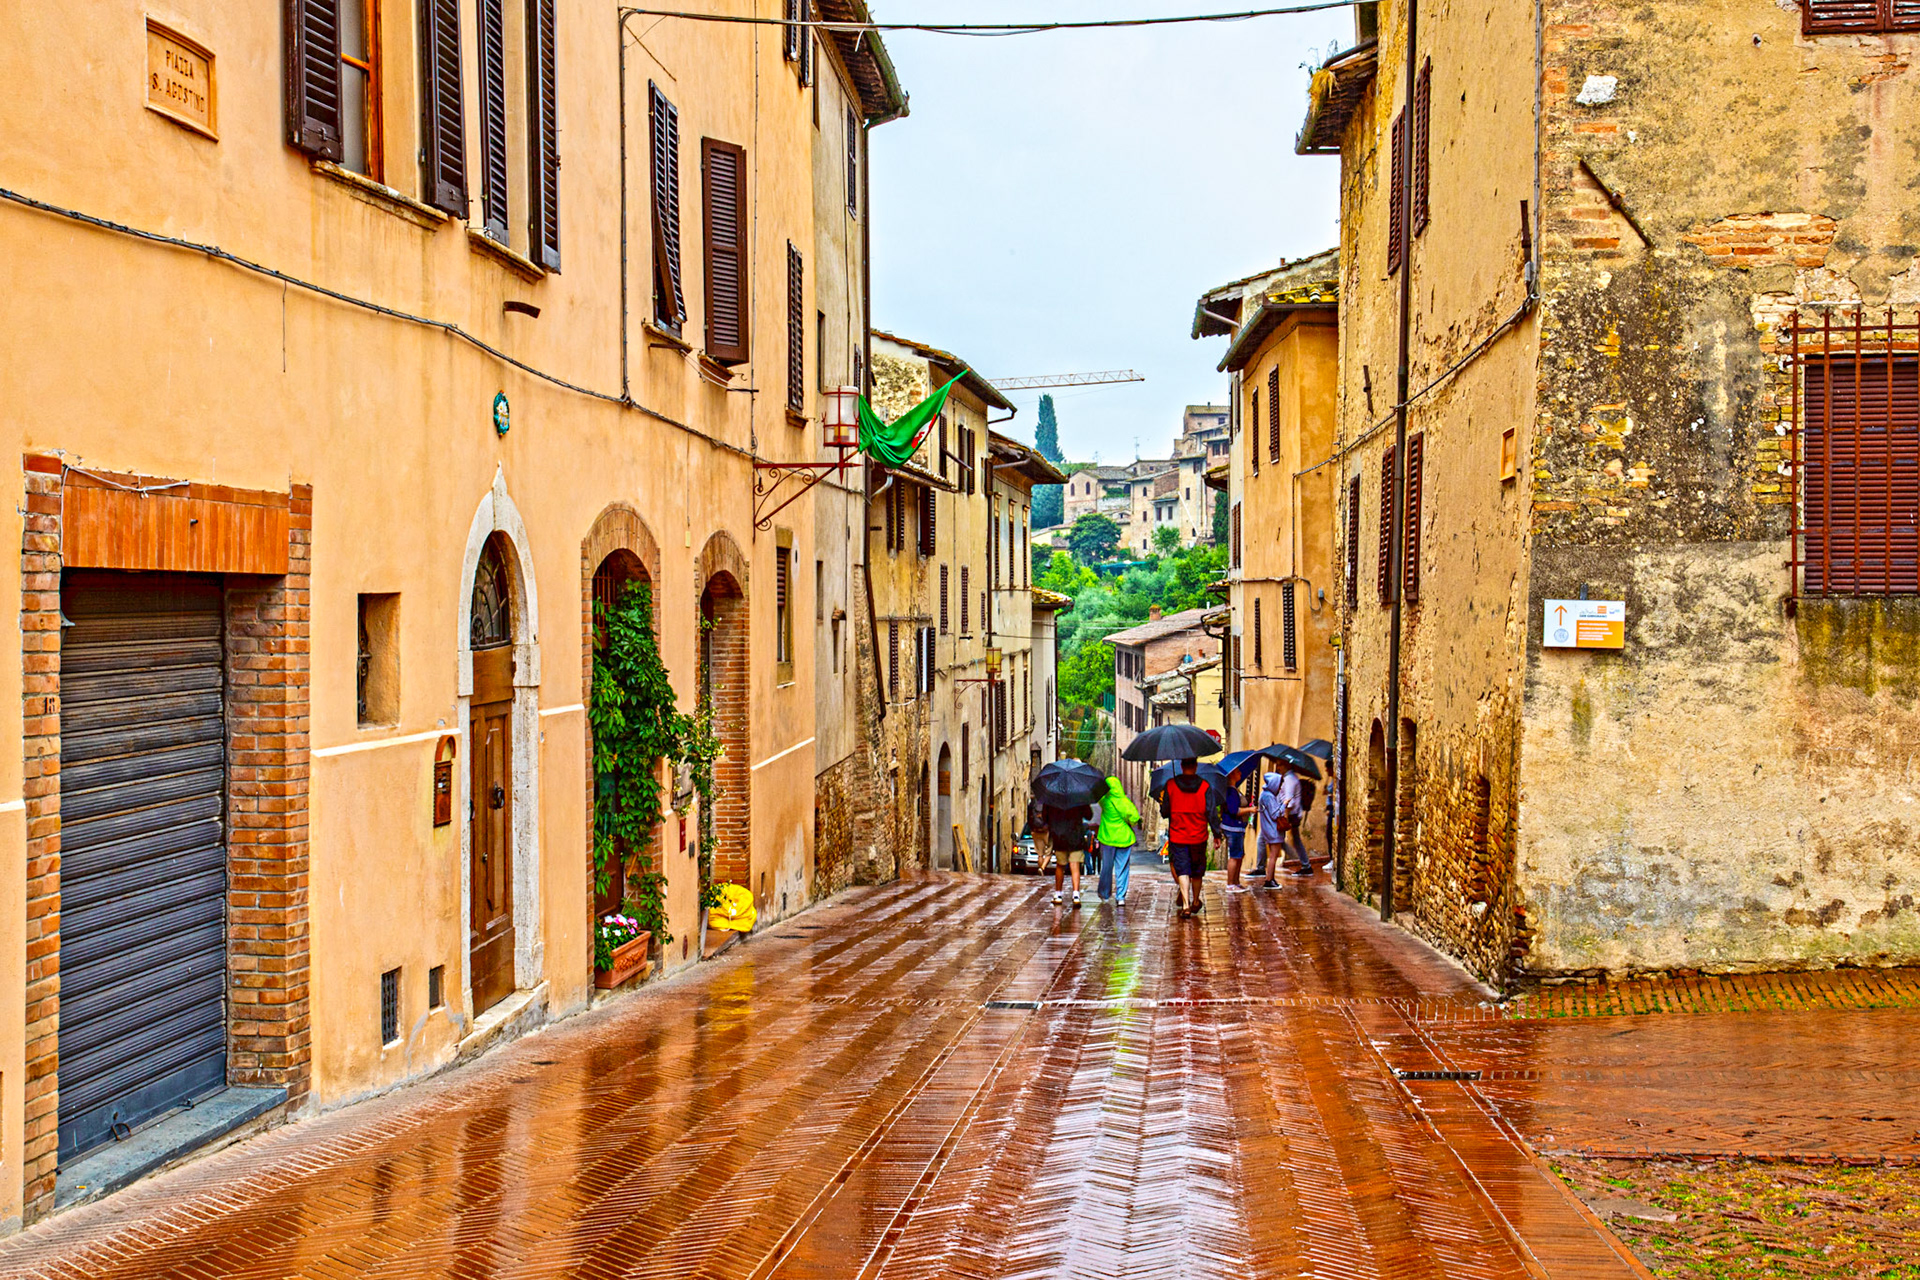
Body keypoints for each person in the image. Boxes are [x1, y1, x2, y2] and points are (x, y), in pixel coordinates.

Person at [1158, 758, 1221, 918]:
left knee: (1183, 869)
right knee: (1197, 871)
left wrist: (1166, 801)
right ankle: (1195, 901)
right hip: (1198, 835)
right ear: (1195, 766)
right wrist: (1217, 833)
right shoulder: (1205, 786)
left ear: (1181, 766)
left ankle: (1185, 904)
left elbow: (1165, 812)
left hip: (1178, 835)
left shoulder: (1171, 785)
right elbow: (1211, 812)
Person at [1095, 776, 1139, 906]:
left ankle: (1105, 893)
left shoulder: (1104, 801)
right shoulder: (1125, 802)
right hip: (1124, 839)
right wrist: (1129, 821)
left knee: (1107, 867)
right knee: (1123, 868)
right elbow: (1135, 817)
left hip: (1108, 839)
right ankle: (1120, 897)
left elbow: (1097, 796)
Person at [1043, 800, 1093, 907]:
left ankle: (1058, 894)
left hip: (1059, 836)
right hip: (1075, 836)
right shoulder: (1079, 796)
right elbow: (1089, 815)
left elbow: (1045, 817)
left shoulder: (1052, 797)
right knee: (1075, 865)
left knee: (1060, 866)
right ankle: (1076, 895)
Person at [1220, 780, 1249, 891]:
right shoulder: (1231, 791)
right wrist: (1249, 809)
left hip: (1237, 827)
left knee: (1239, 855)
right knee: (1235, 856)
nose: (1240, 773)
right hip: (1233, 827)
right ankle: (1231, 884)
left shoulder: (1234, 789)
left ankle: (1236, 882)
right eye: (1237, 771)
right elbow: (1234, 810)